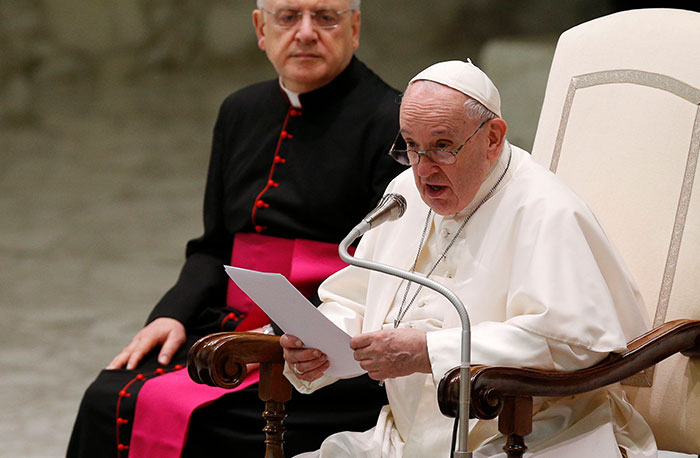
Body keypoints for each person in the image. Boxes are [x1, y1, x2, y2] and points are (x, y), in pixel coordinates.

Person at [67, 1, 406, 457]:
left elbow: (381, 269)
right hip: (227, 322)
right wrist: (171, 314)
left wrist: (279, 338)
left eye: (325, 17)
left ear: (355, 27)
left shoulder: (393, 119)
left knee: (221, 423)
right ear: (260, 29)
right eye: (288, 17)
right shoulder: (240, 110)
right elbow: (213, 246)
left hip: (324, 345)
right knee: (106, 400)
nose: (306, 33)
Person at [281, 60, 657, 457]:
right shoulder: (404, 190)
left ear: (492, 138)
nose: (423, 171)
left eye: (443, 146)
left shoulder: (547, 210)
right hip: (408, 438)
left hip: (533, 436)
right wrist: (320, 339)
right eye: (410, 145)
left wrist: (428, 351)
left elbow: (573, 341)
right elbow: (355, 298)